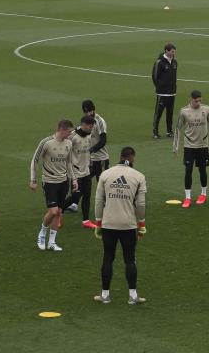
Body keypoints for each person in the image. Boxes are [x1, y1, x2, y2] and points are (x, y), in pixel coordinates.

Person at [93, 147, 147, 305]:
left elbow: (98, 201)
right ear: (132, 158)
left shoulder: (106, 174)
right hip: (128, 224)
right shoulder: (138, 176)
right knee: (130, 259)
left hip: (108, 223)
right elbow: (141, 204)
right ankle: (132, 296)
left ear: (120, 156)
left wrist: (98, 223)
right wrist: (141, 223)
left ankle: (105, 295)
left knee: (108, 258)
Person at [30, 119, 76, 251]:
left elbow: (69, 162)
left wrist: (74, 179)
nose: (70, 134)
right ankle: (42, 233)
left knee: (59, 212)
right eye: (69, 131)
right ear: (62, 129)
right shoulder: (46, 143)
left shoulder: (69, 143)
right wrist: (33, 179)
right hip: (50, 182)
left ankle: (52, 242)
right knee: (53, 211)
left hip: (63, 181)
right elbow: (35, 160)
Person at [173, 90, 209, 208]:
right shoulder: (184, 111)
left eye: (200, 100)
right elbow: (178, 128)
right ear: (191, 99)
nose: (198, 102)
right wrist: (176, 146)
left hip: (203, 146)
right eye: (196, 100)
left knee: (202, 170)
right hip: (189, 146)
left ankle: (203, 194)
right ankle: (187, 197)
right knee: (188, 171)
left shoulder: (207, 109)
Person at [64, 116, 98, 228]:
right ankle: (59, 210)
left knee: (87, 196)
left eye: (92, 126)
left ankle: (86, 221)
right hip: (75, 173)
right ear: (83, 124)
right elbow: (65, 153)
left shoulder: (89, 136)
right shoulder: (72, 136)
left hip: (86, 171)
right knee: (75, 197)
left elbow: (88, 151)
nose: (91, 128)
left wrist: (90, 161)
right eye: (90, 126)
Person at [151, 42, 178, 139]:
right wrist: (159, 87)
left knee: (170, 113)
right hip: (162, 93)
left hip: (172, 92)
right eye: (172, 51)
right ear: (166, 50)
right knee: (158, 113)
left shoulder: (175, 62)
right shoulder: (160, 62)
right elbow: (154, 76)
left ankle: (169, 131)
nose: (173, 53)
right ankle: (155, 131)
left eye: (174, 52)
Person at [82, 100, 109, 182]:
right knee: (83, 182)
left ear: (94, 109)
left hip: (101, 160)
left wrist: (91, 150)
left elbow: (103, 141)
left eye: (90, 111)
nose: (89, 114)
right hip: (90, 160)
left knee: (102, 186)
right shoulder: (85, 122)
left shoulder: (100, 121)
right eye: (87, 112)